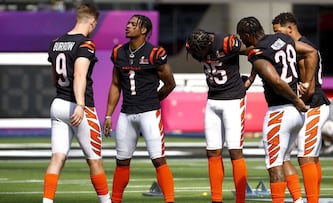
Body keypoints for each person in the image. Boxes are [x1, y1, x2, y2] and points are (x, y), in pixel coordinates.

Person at [236, 16, 318, 203]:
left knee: (274, 165)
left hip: (280, 111)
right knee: (285, 159)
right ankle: (298, 201)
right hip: (296, 115)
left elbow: (276, 81)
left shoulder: (258, 52)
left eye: (242, 37)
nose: (243, 41)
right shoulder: (283, 39)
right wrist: (306, 83)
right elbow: (311, 52)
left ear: (248, 35)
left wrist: (297, 99)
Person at [102, 15, 176, 203]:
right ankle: (115, 200)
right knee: (122, 161)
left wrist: (153, 99)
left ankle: (170, 201)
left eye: (133, 24)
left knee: (158, 160)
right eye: (128, 23)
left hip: (149, 113)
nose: (128, 26)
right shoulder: (119, 52)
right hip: (127, 113)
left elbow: (170, 83)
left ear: (144, 30)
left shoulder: (154, 53)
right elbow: (115, 84)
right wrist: (109, 115)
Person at [43, 3, 111, 203]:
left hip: (58, 104)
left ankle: (47, 201)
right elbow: (80, 75)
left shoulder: (56, 43)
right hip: (79, 107)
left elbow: (55, 78)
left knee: (57, 158)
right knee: (95, 161)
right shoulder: (85, 44)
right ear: (92, 22)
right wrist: (80, 105)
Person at [272, 12, 331, 203]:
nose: (277, 37)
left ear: (290, 28)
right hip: (303, 107)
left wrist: (294, 100)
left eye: (279, 31)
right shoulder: (293, 48)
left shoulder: (304, 49)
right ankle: (299, 199)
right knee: (289, 156)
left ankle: (312, 200)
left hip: (312, 106)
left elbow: (309, 88)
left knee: (306, 157)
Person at [185, 29, 250, 203]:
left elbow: (254, 52)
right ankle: (216, 199)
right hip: (213, 100)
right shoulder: (192, 46)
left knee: (235, 151)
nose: (198, 55)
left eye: (201, 52)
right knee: (212, 152)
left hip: (233, 100)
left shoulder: (227, 43)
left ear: (208, 44)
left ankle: (241, 200)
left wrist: (250, 79)